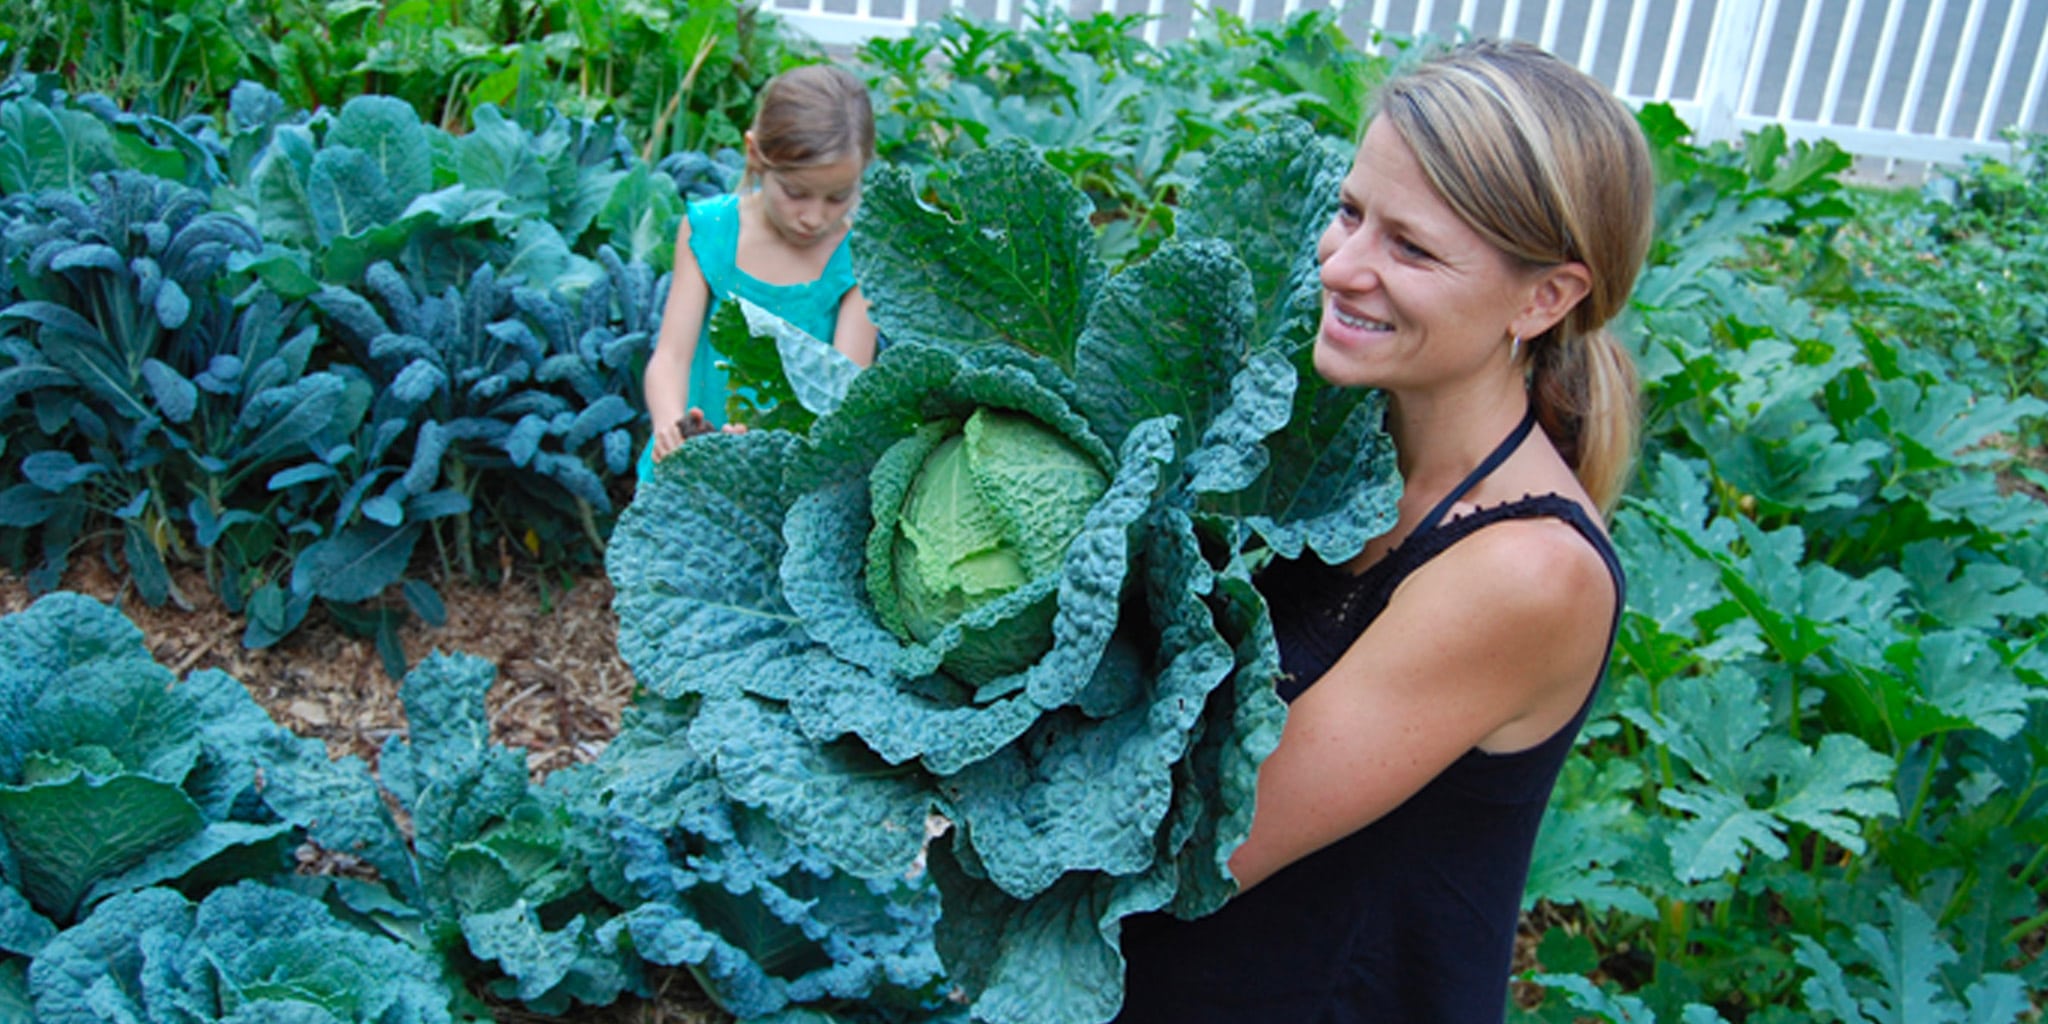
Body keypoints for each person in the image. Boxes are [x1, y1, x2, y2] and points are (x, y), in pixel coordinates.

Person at [1115, 38, 1654, 1023]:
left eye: (1409, 247)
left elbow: (1199, 836)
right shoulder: (1321, 434)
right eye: (1349, 211)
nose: (1339, 263)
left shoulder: (1526, 574)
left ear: (1544, 298)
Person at [637, 63, 880, 479]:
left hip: (793, 475)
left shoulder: (862, 257)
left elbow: (843, 398)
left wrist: (763, 442)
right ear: (754, 155)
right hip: (688, 464)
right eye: (796, 193)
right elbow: (670, 358)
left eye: (839, 197)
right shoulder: (708, 231)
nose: (814, 217)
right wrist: (669, 426)